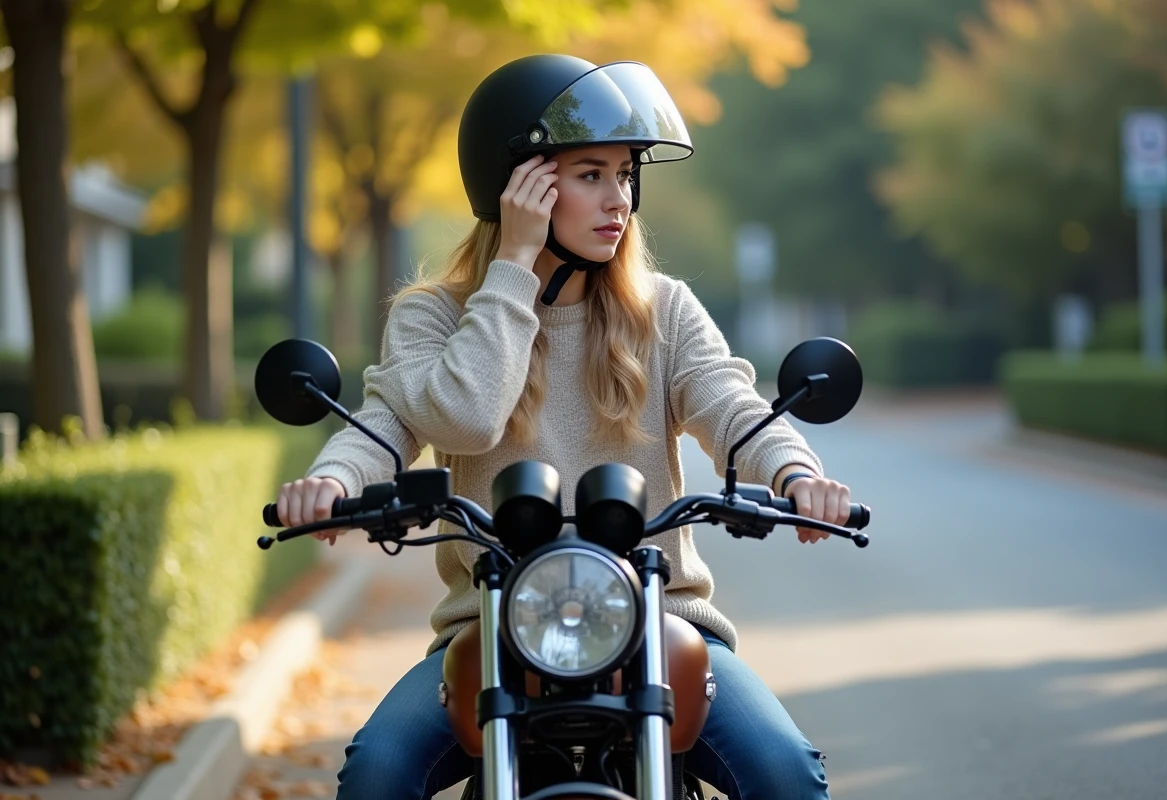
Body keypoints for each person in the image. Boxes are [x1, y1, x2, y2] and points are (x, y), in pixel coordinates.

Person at [274, 54, 853, 800]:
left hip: (657, 617)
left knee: (788, 776)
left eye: (625, 174)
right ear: (517, 185)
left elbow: (734, 407)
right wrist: (331, 480)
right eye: (590, 175)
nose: (620, 200)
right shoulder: (434, 313)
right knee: (375, 776)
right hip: (490, 631)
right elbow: (433, 419)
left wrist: (796, 475)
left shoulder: (663, 310)